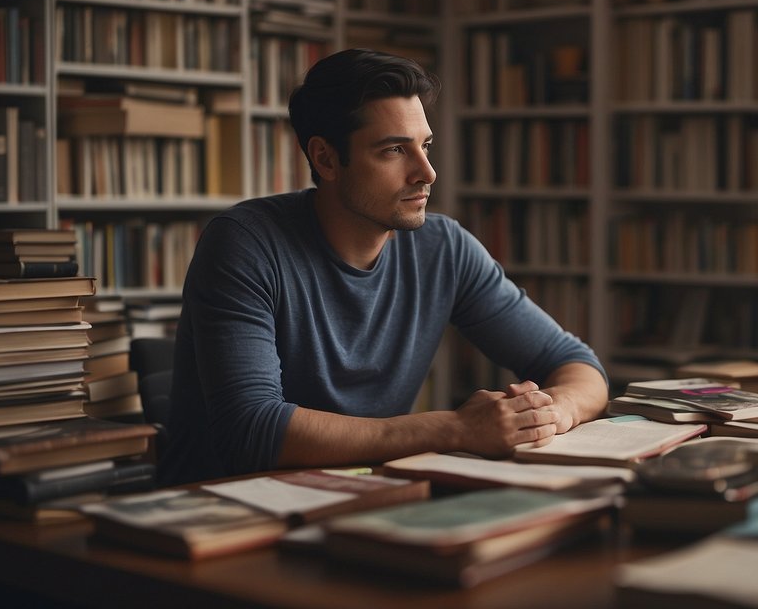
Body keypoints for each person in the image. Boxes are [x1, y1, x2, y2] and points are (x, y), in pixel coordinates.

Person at [160, 48, 608, 485]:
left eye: (425, 145)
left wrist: (552, 412)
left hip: (364, 497)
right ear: (326, 159)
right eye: (395, 150)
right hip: (220, 515)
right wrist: (456, 428)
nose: (427, 172)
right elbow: (253, 430)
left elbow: (576, 364)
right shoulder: (245, 243)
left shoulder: (444, 248)